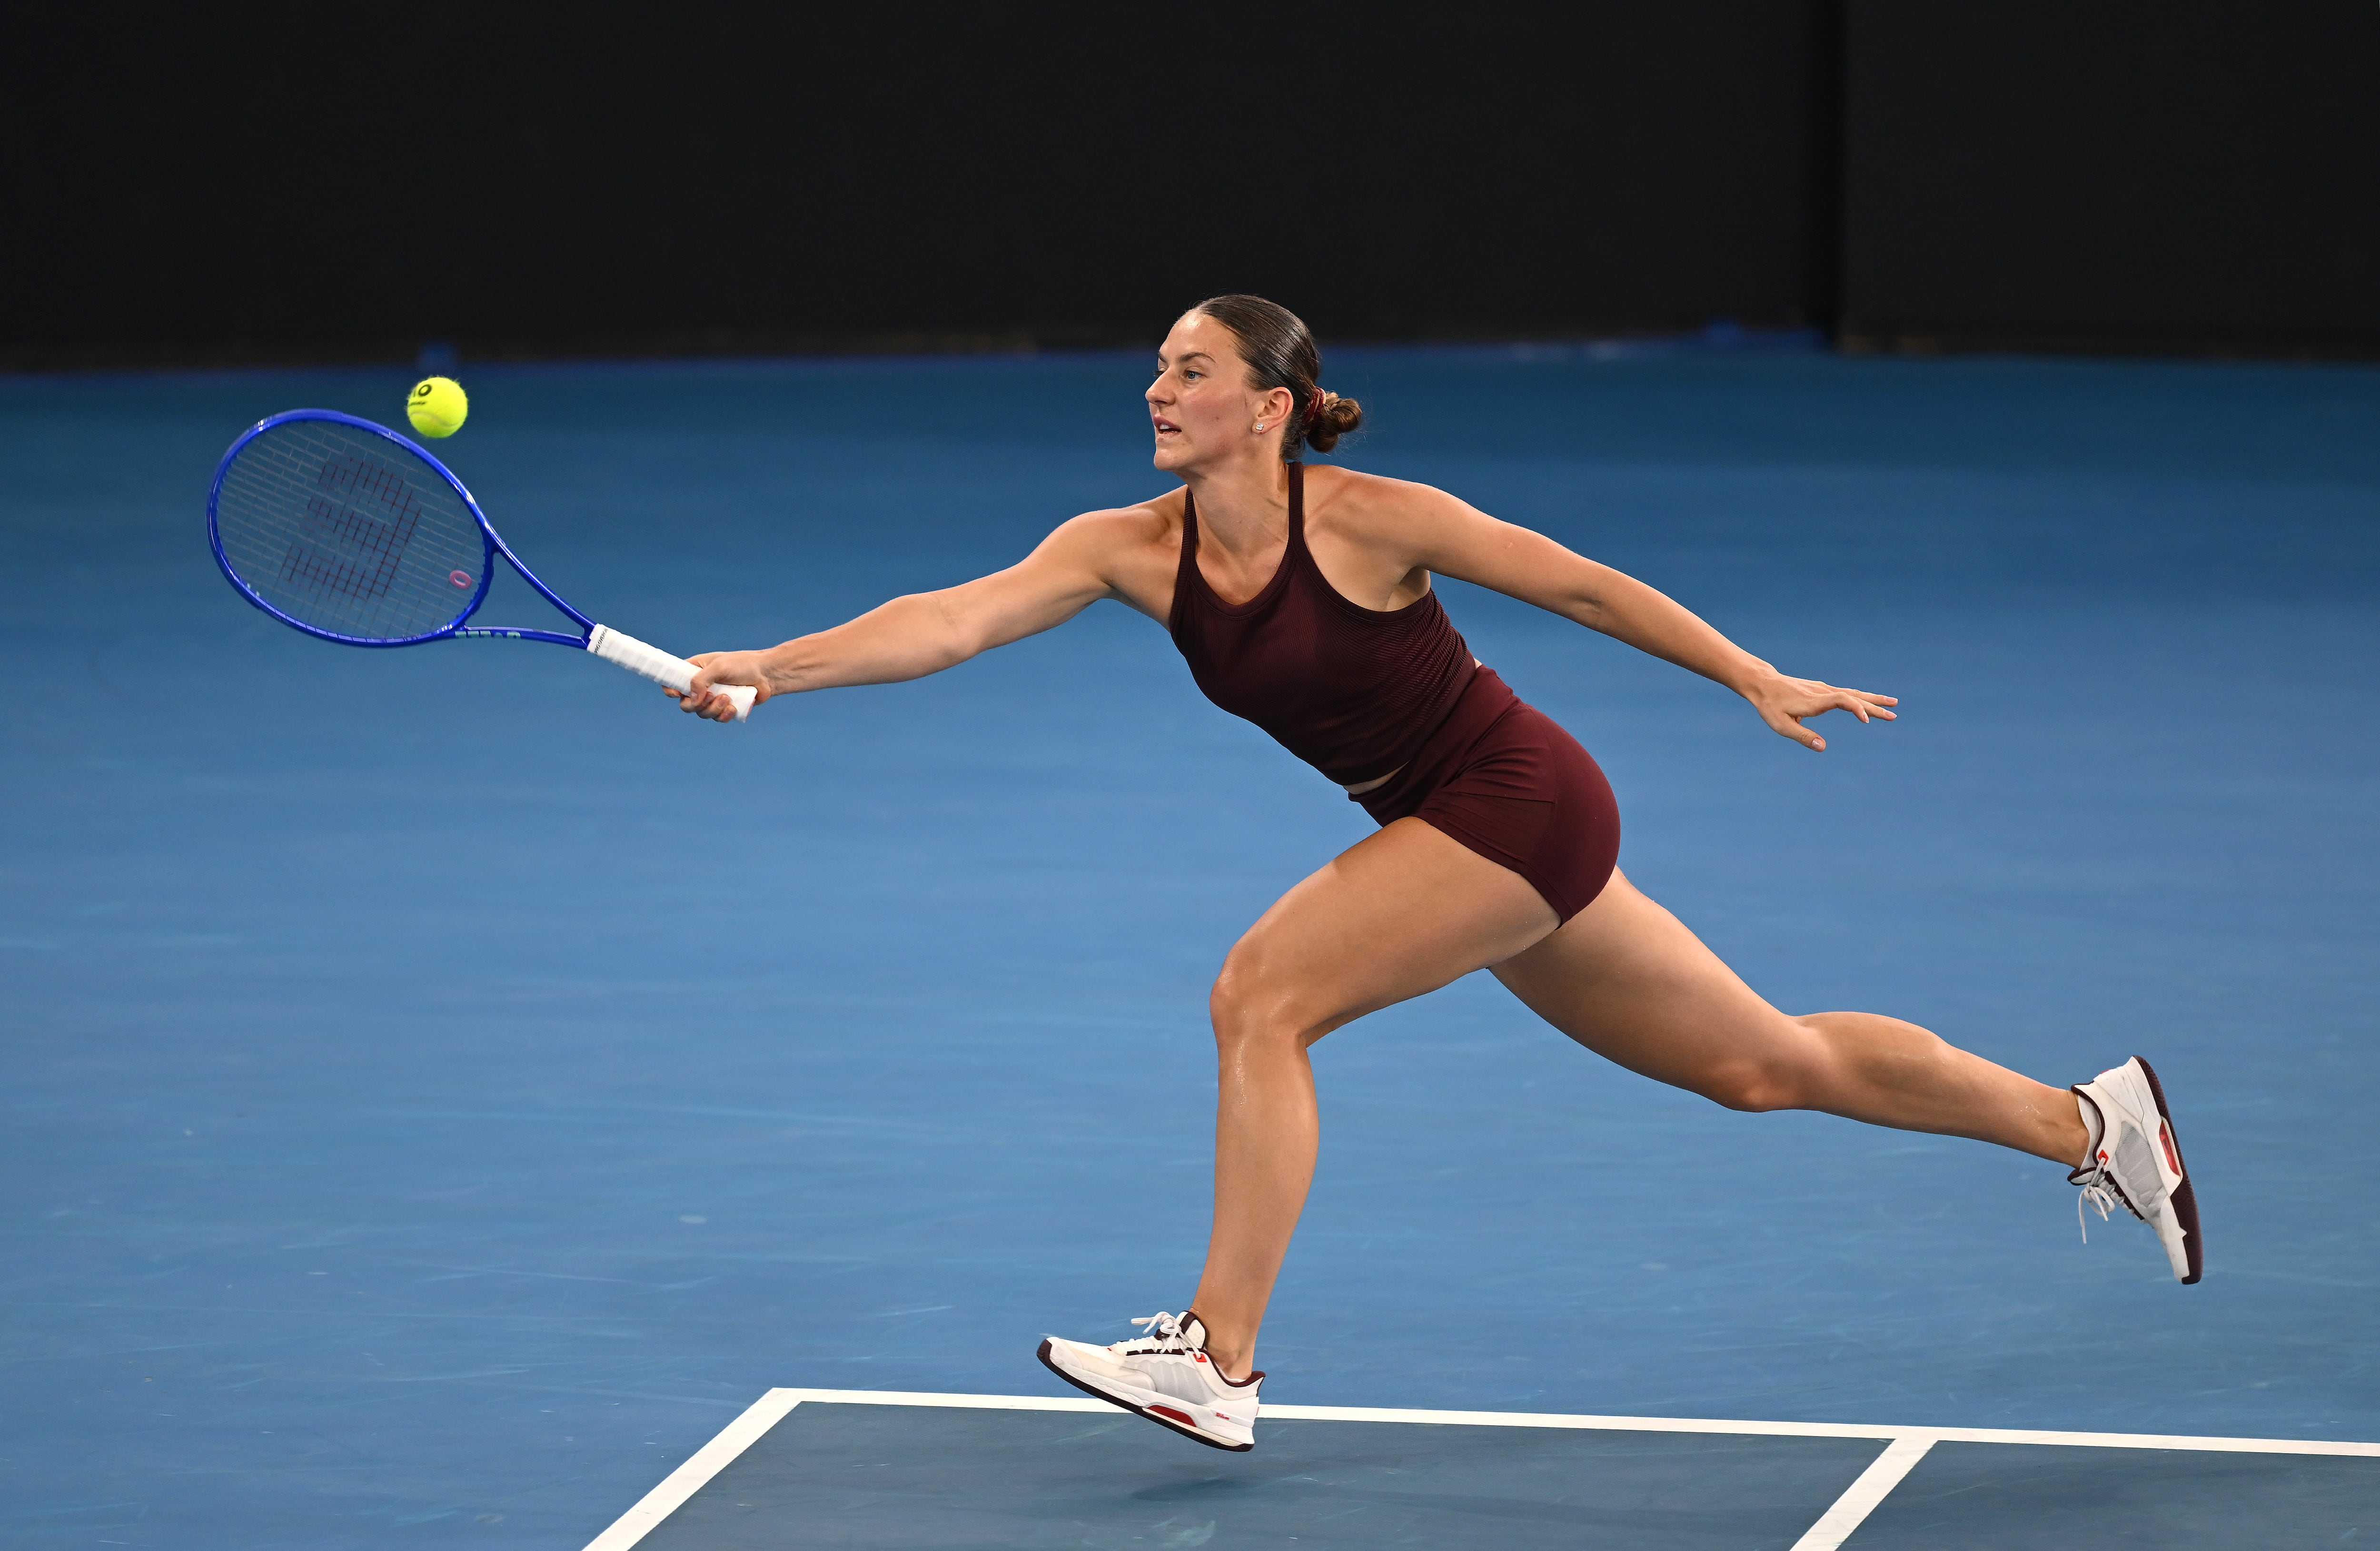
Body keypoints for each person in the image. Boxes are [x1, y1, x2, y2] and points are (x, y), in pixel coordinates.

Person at [671, 295, 2202, 1453]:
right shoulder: (1126, 546)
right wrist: (771, 667)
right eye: (1158, 368)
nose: (1158, 389)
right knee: (1762, 1063)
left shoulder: (1371, 520)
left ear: (1270, 407)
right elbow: (951, 617)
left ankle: (1217, 1356)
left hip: (1517, 802)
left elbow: (1577, 583)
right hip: (1461, 837)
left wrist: (1750, 672)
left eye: (1191, 370)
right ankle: (2094, 1122)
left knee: (1261, 996)